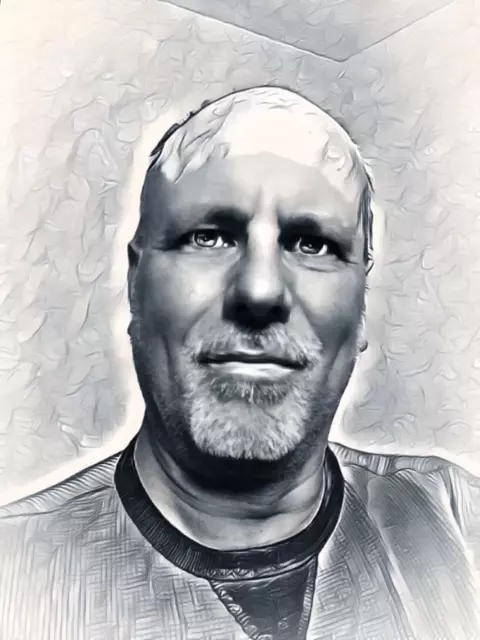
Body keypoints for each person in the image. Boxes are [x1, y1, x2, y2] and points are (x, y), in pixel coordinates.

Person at [0, 86, 478, 640]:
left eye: (313, 244)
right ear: (136, 286)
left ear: (362, 306)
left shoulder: (459, 524)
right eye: (209, 236)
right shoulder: (12, 575)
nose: (260, 289)